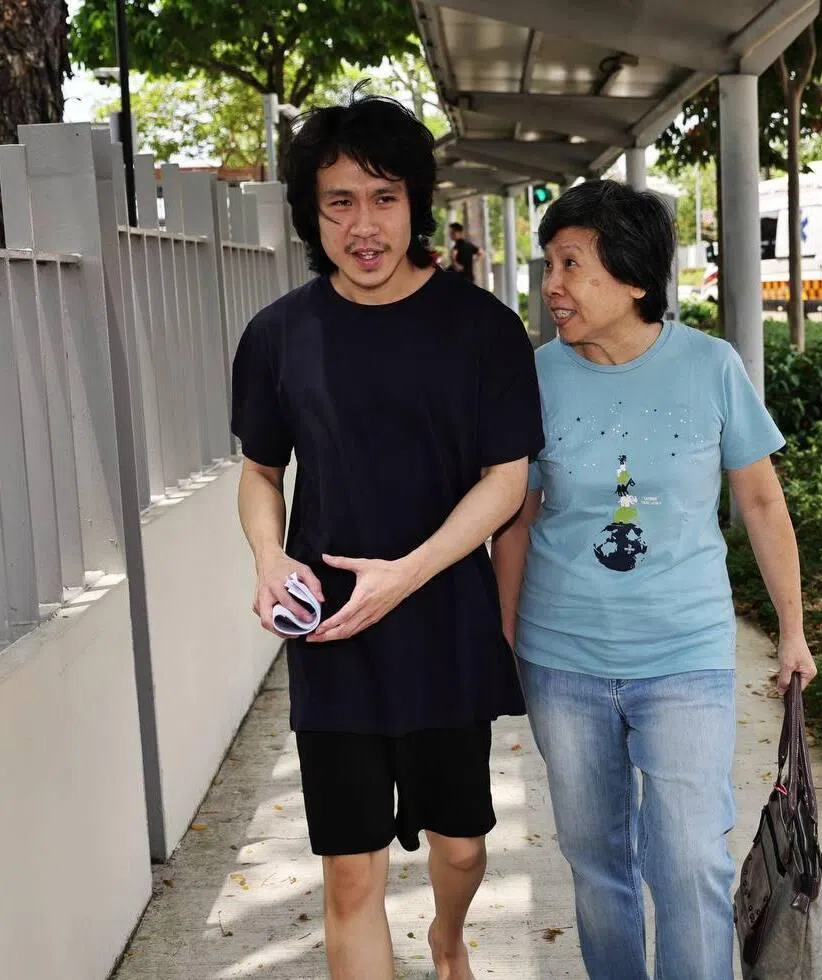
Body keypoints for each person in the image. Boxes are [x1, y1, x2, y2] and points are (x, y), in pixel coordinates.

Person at [231, 88, 543, 980]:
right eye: (340, 200)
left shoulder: (481, 328)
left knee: (461, 847)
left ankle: (446, 938)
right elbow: (261, 472)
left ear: (415, 205)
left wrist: (405, 575)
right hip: (331, 633)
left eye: (383, 197)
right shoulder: (279, 335)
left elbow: (507, 480)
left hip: (443, 622)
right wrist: (267, 555)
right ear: (311, 212)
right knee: (350, 877)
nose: (363, 224)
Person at [492, 179, 817, 980]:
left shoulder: (710, 367)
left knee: (687, 863)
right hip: (562, 659)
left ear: (634, 278)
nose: (552, 285)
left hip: (684, 656)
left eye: (572, 264)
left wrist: (793, 629)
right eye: (549, 264)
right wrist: (504, 639)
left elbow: (762, 501)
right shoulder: (534, 375)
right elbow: (516, 518)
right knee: (599, 867)